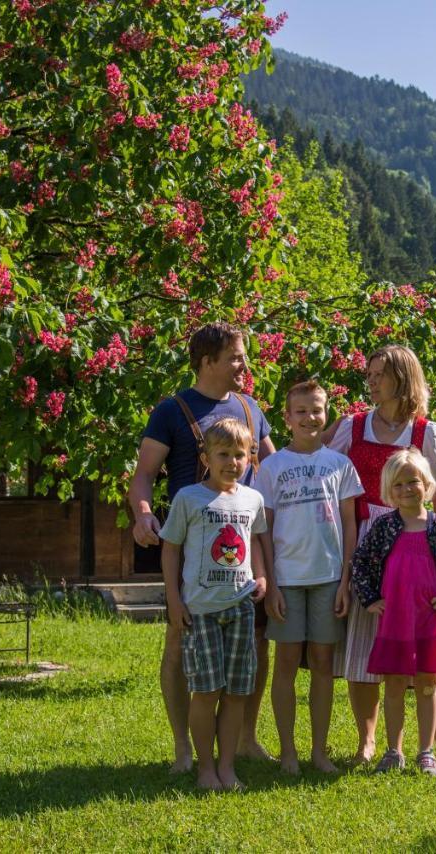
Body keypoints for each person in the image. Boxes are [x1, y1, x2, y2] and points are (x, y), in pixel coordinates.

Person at [128, 322, 276, 773]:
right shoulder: (172, 410)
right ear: (207, 360)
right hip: (191, 547)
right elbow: (144, 474)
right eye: (235, 357)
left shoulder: (251, 409)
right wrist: (143, 514)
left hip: (244, 551)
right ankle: (183, 747)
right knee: (179, 640)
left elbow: (274, 466)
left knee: (254, 644)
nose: (243, 365)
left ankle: (246, 737)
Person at [324, 344, 436, 766]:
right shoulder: (352, 426)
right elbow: (318, 465)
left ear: (402, 378)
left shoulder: (427, 432)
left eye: (379, 373)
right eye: (369, 373)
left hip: (417, 543)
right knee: (363, 646)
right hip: (368, 538)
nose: (371, 381)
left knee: (427, 649)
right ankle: (369, 742)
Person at [350, 448, 436, 776]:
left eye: (414, 482)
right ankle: (393, 751)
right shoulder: (383, 527)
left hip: (429, 621)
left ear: (427, 485)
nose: (407, 489)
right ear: (388, 492)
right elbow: (360, 562)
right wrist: (369, 599)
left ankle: (426, 752)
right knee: (393, 685)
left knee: (427, 685)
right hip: (394, 621)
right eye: (399, 485)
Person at [257, 380, 363, 774]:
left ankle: (318, 752)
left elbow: (350, 525)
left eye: (316, 410)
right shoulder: (271, 467)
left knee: (322, 663)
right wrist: (268, 581)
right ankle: (288, 753)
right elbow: (262, 528)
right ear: (286, 418)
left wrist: (345, 580)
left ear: (326, 415)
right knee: (285, 662)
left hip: (328, 579)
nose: (309, 417)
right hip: (286, 580)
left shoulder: (340, 465)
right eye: (300, 411)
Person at [159, 418, 269, 791]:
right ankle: (205, 768)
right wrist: (174, 600)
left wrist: (263, 576)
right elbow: (171, 549)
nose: (232, 462)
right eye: (223, 454)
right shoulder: (188, 498)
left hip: (240, 609)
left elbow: (254, 542)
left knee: (237, 692)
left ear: (249, 459)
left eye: (240, 455)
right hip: (200, 611)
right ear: (206, 457)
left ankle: (227, 768)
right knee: (206, 691)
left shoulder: (252, 499)